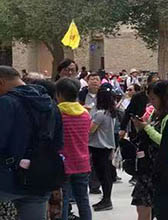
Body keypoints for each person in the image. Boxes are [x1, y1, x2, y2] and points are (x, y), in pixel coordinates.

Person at [0, 66, 63, 220]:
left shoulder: (6, 103)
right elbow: (58, 142)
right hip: (41, 176)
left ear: (1, 82)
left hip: (7, 179)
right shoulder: (51, 105)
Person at [131, 80, 168, 220]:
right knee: (142, 206)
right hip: (147, 168)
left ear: (163, 97)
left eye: (153, 98)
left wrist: (146, 127)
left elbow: (164, 141)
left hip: (160, 170)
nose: (151, 102)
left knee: (155, 208)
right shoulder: (156, 113)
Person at [55, 77, 92, 220]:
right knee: (83, 200)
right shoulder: (85, 114)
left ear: (59, 95)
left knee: (63, 201)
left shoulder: (57, 114)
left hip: (63, 163)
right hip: (83, 162)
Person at [88, 86, 118, 211]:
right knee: (105, 174)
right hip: (107, 146)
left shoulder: (100, 114)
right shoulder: (111, 113)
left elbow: (90, 130)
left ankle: (106, 200)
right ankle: (106, 199)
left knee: (103, 174)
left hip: (99, 147)